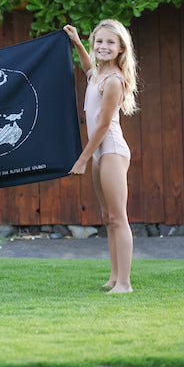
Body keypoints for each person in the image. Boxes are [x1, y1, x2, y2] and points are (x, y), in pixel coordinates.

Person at [64, 20, 139, 294]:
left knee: (119, 217)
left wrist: (83, 159)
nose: (103, 46)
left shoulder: (114, 81)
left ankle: (125, 283)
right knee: (107, 216)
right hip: (99, 152)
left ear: (120, 49)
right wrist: (77, 41)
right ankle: (114, 277)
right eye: (99, 41)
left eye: (110, 42)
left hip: (112, 151)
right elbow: (87, 68)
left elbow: (104, 126)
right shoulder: (96, 74)